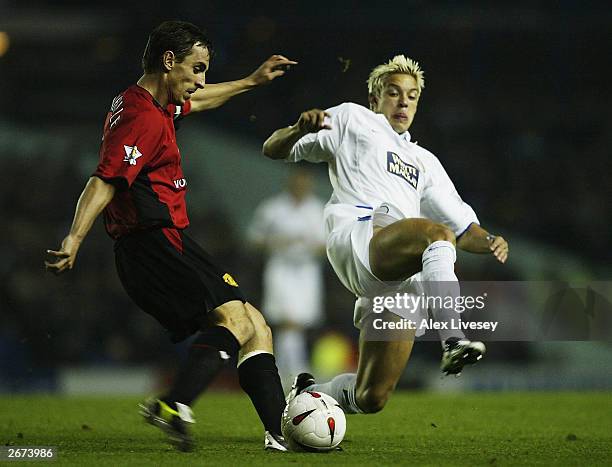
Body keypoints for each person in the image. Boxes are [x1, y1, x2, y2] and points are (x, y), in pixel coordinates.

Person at [45, 20, 297, 451]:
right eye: (196, 69)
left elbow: (200, 101)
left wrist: (252, 82)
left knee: (255, 325)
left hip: (156, 244)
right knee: (235, 317)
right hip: (154, 241)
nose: (201, 81)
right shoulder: (140, 116)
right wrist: (75, 237)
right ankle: (174, 403)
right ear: (168, 61)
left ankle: (278, 432)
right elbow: (104, 180)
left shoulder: (150, 103)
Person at [262, 55, 509, 414]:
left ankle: (310, 392)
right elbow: (272, 149)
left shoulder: (424, 161)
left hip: (398, 271)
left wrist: (489, 241)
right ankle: (453, 338)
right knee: (435, 234)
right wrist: (299, 129)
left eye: (411, 95)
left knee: (370, 397)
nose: (403, 101)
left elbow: (463, 229)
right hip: (358, 239)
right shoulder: (352, 119)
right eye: (394, 93)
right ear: (375, 99)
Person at [247, 168, 326, 387]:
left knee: (298, 323)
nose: (300, 185)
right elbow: (254, 239)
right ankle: (296, 374)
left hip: (307, 270)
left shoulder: (318, 210)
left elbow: (327, 246)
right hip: (280, 267)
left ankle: (286, 374)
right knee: (286, 322)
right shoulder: (272, 208)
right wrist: (278, 242)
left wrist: (308, 245)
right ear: (289, 182)